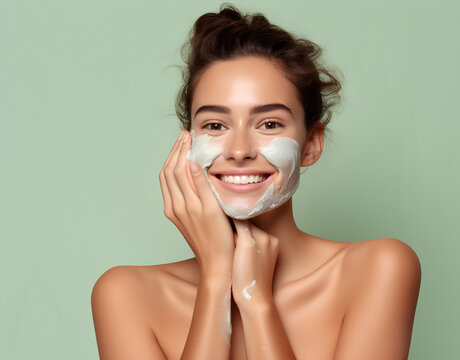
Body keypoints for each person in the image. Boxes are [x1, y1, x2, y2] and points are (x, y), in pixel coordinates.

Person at [91, 4, 421, 360]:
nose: (239, 150)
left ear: (311, 144)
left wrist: (255, 299)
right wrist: (217, 277)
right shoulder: (125, 295)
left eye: (269, 124)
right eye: (215, 126)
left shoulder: (378, 269)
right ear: (187, 145)